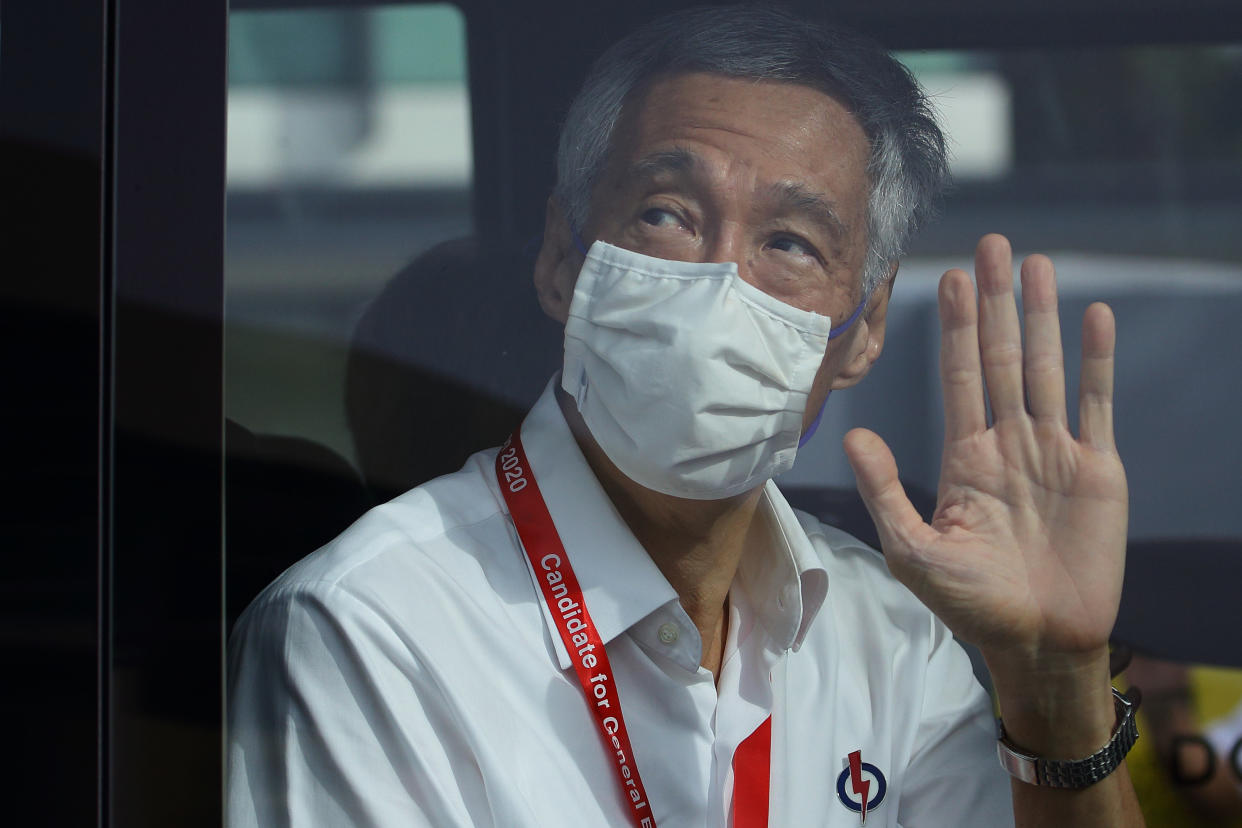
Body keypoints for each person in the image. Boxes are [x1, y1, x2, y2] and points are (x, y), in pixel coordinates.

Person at [227, 6, 1144, 826]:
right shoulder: (371, 628)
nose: (719, 284)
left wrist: (1056, 681)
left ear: (861, 332)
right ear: (561, 259)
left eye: (790, 241)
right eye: (666, 215)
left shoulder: (888, 633)